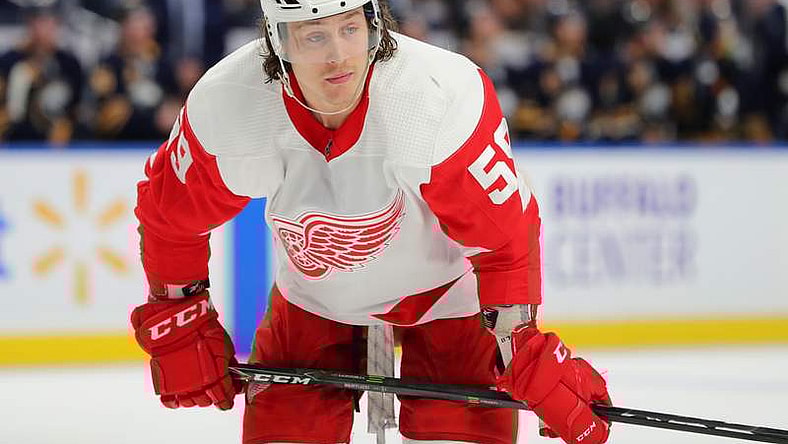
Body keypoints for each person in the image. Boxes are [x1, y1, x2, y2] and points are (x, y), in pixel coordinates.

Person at [129, 1, 612, 443]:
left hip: (447, 299)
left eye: (350, 28)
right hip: (313, 300)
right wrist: (180, 311)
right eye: (314, 36)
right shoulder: (231, 103)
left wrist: (521, 344)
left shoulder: (435, 98)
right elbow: (169, 216)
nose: (338, 55)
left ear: (374, 23)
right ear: (278, 40)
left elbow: (504, 239)